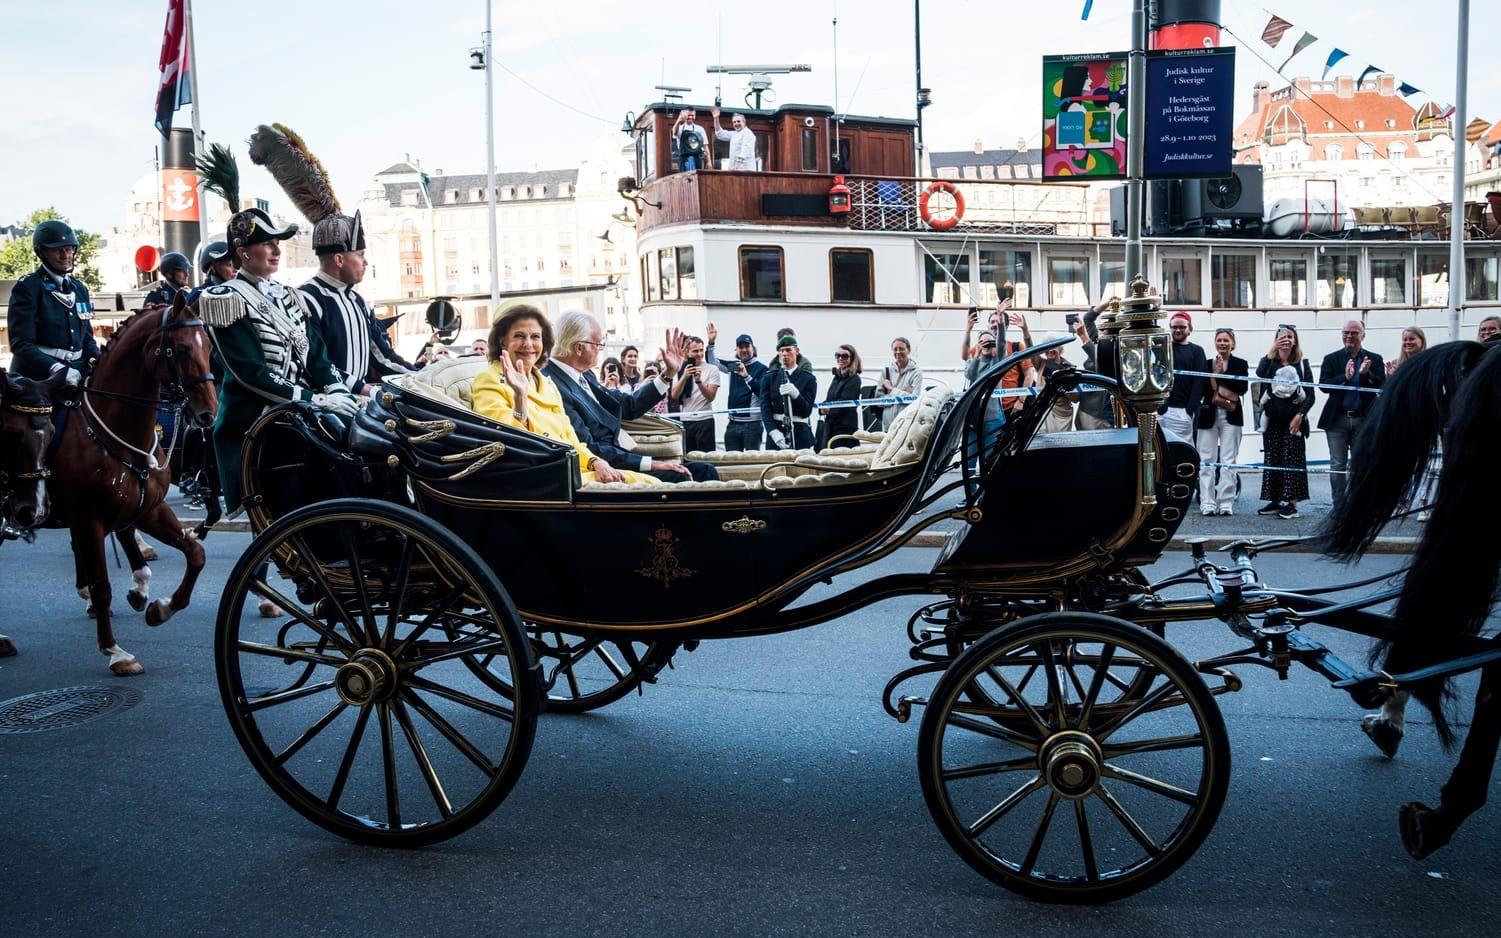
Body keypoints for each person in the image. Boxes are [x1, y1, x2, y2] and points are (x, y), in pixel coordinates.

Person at [196, 207, 359, 515]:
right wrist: (316, 399)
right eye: (267, 243)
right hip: (258, 415)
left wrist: (337, 391)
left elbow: (316, 355)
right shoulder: (227, 298)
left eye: (277, 243)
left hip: (301, 407)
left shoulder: (288, 296)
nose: (276, 250)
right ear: (243, 253)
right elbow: (252, 373)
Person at [472, 307, 657, 486]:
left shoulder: (547, 384)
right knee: (656, 487)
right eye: (519, 336)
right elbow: (505, 441)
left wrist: (595, 462)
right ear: (502, 341)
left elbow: (571, 438)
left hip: (577, 467)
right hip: (545, 477)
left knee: (653, 481)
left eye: (535, 336)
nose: (528, 344)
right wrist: (520, 398)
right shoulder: (489, 380)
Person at [542, 310, 717, 483]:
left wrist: (668, 374)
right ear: (579, 347)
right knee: (695, 474)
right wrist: (651, 464)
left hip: (620, 457)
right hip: (606, 468)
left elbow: (628, 405)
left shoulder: (585, 375)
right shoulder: (551, 385)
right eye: (598, 344)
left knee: (704, 469)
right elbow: (589, 447)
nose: (600, 350)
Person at [299, 212, 412, 397]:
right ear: (339, 260)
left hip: (361, 402)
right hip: (326, 408)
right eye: (360, 255)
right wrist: (361, 388)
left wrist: (420, 376)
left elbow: (383, 357)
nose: (365, 262)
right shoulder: (306, 299)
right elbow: (315, 363)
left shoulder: (359, 301)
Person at [6, 219, 99, 387]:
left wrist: (96, 358)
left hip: (79, 371)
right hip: (39, 376)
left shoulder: (80, 289)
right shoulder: (28, 288)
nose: (65, 256)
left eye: (69, 249)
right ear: (42, 253)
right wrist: (56, 368)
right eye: (58, 250)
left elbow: (87, 338)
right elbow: (21, 344)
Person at [1318, 319, 1386, 512]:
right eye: (1346, 332)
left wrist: (1365, 375)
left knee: (1361, 464)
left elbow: (1380, 385)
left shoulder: (1375, 359)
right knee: (1337, 464)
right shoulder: (1331, 359)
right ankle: (1339, 506)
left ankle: (1358, 505)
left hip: (1364, 419)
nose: (1349, 336)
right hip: (1337, 420)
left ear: (1363, 335)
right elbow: (1323, 386)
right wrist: (1345, 379)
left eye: (1354, 333)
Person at [1255, 325, 1314, 520]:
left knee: (1292, 459)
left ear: (1295, 340)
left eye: (1290, 336)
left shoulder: (1303, 364)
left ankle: (1292, 503)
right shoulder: (1270, 363)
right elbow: (1260, 374)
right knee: (1273, 458)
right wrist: (1272, 351)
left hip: (1293, 420)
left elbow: (1311, 396)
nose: (1286, 339)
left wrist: (1300, 415)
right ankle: (1276, 499)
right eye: (1282, 336)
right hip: (1273, 419)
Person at [1195, 327, 1249, 516]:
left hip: (1231, 415)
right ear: (1215, 342)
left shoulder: (1241, 364)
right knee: (1206, 460)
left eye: (1226, 340)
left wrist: (1218, 377)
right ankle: (1207, 502)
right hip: (1209, 415)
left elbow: (1242, 388)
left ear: (1233, 343)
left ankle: (1225, 502)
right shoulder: (1206, 363)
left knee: (1228, 460)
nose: (1222, 343)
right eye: (1219, 340)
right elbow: (1202, 389)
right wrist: (1213, 375)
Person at [704, 322, 768, 451]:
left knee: (752, 462)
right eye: (740, 347)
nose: (744, 350)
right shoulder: (734, 365)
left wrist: (746, 376)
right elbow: (712, 362)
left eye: (747, 346)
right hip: (733, 423)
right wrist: (711, 343)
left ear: (753, 349)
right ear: (736, 350)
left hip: (752, 424)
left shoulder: (762, 369)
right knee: (732, 461)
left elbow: (761, 392)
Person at [761, 335, 818, 450]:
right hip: (776, 434)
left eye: (788, 350)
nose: (784, 354)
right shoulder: (769, 378)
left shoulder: (808, 379)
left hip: (800, 434)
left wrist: (796, 395)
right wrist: (773, 431)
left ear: (796, 351)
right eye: (781, 351)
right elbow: (765, 407)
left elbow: (806, 411)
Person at [1158, 311, 1207, 442]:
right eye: (1174, 327)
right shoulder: (1163, 347)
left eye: (1182, 327)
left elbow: (1199, 381)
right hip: (1162, 410)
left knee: (1182, 452)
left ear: (1190, 329)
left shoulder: (1197, 351)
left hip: (1183, 412)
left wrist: (1189, 411)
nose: (1177, 330)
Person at [669, 335, 719, 453]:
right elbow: (674, 395)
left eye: (701, 350)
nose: (699, 354)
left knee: (706, 458)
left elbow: (711, 396)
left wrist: (699, 382)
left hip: (705, 420)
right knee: (687, 458)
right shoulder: (680, 369)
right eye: (695, 351)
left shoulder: (712, 369)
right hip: (686, 420)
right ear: (687, 352)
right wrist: (684, 377)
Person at [1073, 297, 1115, 430]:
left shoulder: (1116, 347)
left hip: (1108, 411)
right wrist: (1109, 303)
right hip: (1089, 410)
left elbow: (1101, 361)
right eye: (1101, 329)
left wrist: (1084, 337)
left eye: (1105, 329)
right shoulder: (1097, 340)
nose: (1101, 331)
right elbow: (1088, 319)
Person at [818, 344, 863, 449]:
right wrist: (821, 408)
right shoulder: (836, 378)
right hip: (831, 427)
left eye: (845, 356)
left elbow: (846, 403)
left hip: (845, 428)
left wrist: (828, 409)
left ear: (852, 358)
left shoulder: (854, 379)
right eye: (837, 355)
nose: (840, 358)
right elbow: (830, 399)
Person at [878, 337, 922, 430]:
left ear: (908, 350)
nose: (898, 352)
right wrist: (904, 395)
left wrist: (891, 389)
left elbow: (914, 399)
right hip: (888, 425)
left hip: (906, 424)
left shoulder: (916, 373)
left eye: (901, 349)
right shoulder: (886, 372)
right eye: (895, 349)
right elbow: (878, 401)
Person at [710, 107, 758, 171]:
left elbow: (745, 150)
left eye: (738, 121)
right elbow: (720, 134)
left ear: (744, 122)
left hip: (746, 170)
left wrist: (737, 166)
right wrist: (716, 118)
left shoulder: (748, 133)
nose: (736, 124)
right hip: (735, 170)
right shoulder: (734, 134)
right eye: (734, 122)